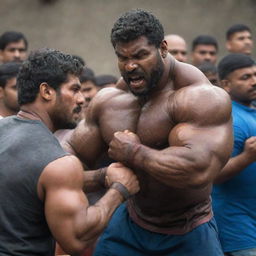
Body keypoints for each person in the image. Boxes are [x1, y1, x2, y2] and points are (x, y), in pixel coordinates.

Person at [64, 9, 233, 256]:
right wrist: (102, 176)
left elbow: (198, 169)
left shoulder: (200, 97)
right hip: (130, 223)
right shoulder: (111, 101)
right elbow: (65, 161)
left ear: (163, 49)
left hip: (188, 231)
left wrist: (134, 153)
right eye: (122, 57)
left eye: (140, 55)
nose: (130, 65)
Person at [0, 48, 139, 256]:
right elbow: (76, 239)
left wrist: (102, 176)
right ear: (47, 91)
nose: (82, 99)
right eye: (74, 89)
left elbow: (32, 182)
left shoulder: (3, 130)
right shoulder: (59, 162)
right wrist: (120, 189)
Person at [212, 53, 256, 256]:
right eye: (245, 77)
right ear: (226, 85)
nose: (254, 81)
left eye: (255, 75)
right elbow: (214, 175)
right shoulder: (229, 119)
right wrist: (246, 157)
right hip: (238, 229)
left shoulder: (251, 111)